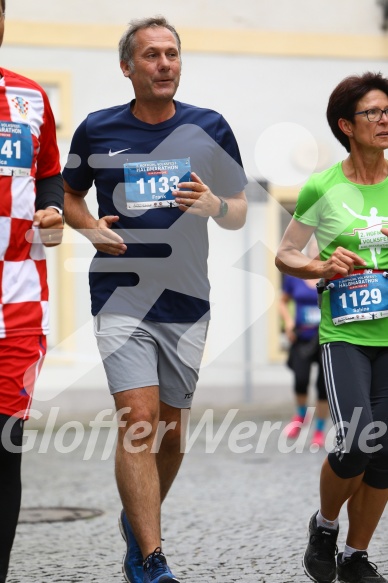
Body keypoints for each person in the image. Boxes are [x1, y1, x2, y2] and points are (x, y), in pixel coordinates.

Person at [62, 16, 247, 583]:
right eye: (151, 55)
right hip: (120, 293)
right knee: (137, 420)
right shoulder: (96, 129)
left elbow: (239, 210)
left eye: (171, 54)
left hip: (187, 298)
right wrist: (93, 229)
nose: (164, 64)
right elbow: (70, 196)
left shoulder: (210, 126)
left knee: (170, 432)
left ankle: (137, 518)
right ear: (128, 67)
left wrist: (215, 204)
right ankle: (151, 556)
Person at [276, 71, 388, 583]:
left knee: (385, 455)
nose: (384, 120)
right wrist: (322, 266)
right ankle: (324, 526)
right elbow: (285, 253)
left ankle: (355, 555)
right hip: (345, 334)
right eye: (373, 113)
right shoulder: (324, 186)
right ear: (346, 125)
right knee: (357, 441)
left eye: (387, 112)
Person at [0, 2, 64, 581]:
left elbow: (50, 175)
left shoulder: (29, 97)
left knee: (4, 446)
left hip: (18, 300)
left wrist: (53, 212)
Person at [279, 238, 329, 448]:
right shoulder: (295, 275)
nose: (317, 252)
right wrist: (288, 324)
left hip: (326, 337)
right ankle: (300, 416)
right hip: (301, 337)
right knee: (300, 379)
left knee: (323, 386)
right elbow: (283, 301)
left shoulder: (332, 274)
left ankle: (319, 430)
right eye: (314, 248)